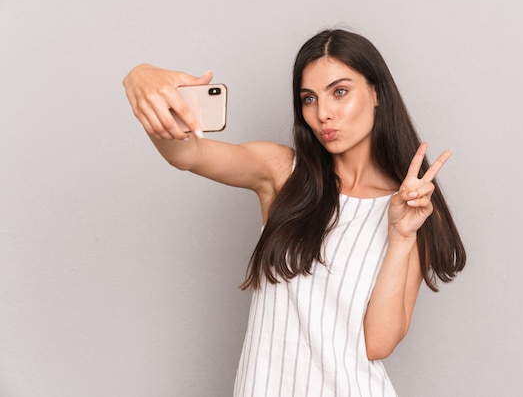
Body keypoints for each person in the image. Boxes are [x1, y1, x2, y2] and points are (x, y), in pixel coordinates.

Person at [123, 28, 466, 396]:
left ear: (376, 92)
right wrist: (139, 76)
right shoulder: (283, 172)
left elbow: (378, 343)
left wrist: (400, 236)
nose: (323, 114)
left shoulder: (411, 207)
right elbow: (188, 155)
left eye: (339, 91)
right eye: (308, 98)